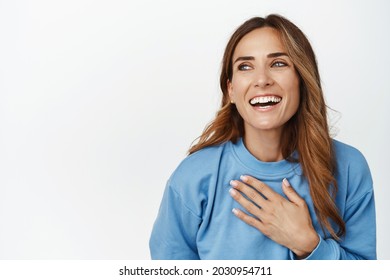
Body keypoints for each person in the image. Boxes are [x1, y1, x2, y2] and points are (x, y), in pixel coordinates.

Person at [149, 14, 376, 260]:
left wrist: (308, 245)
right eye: (245, 66)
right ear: (231, 90)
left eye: (278, 63)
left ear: (302, 79)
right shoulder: (193, 177)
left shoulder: (348, 167)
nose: (262, 80)